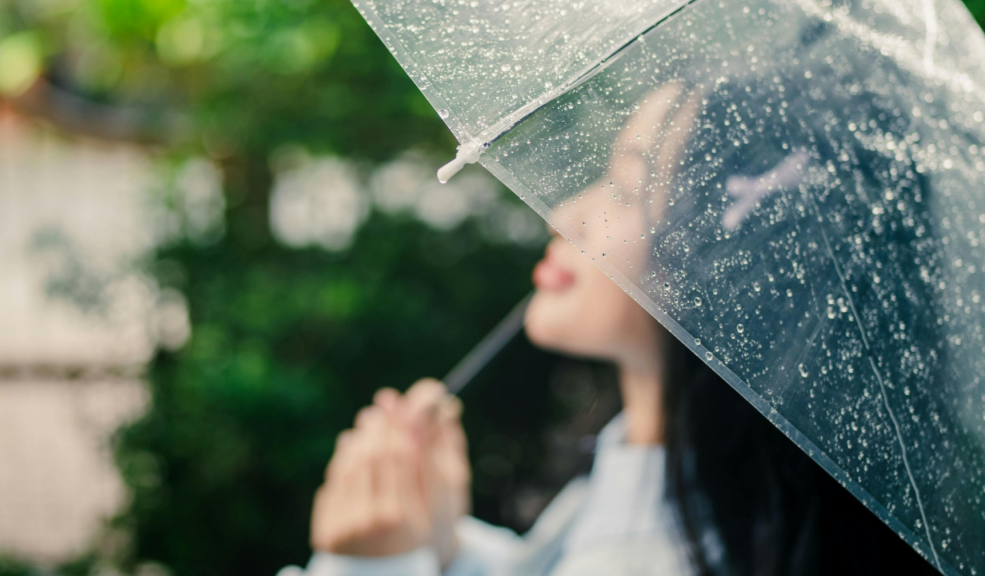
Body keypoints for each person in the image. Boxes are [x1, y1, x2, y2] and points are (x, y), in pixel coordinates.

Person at [288, 73, 943, 576]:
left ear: (732, 273)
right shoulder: (654, 469)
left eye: (627, 188)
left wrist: (375, 564)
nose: (566, 217)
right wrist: (443, 545)